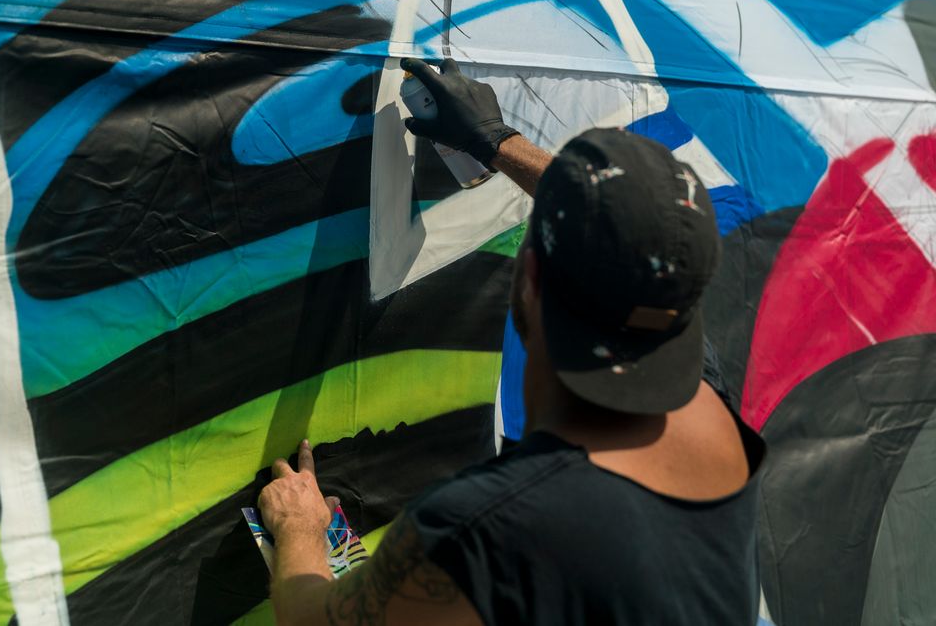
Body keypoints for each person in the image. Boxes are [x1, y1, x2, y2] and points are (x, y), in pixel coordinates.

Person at [256, 58, 765, 626]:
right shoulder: (705, 410)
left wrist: (299, 531)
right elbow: (628, 237)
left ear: (527, 280)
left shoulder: (489, 530)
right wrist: (498, 142)